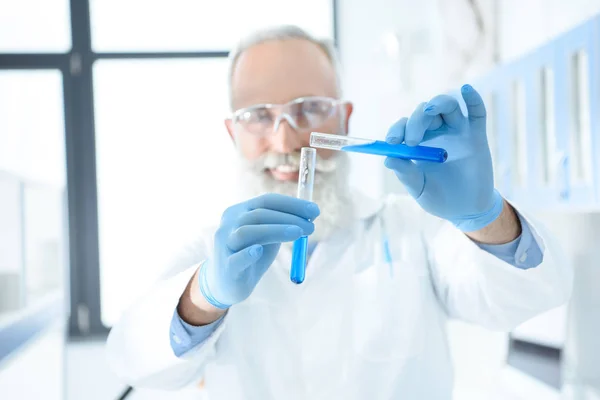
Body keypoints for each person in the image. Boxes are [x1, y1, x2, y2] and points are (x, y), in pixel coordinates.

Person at [106, 25, 573, 399]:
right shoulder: (205, 255)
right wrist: (204, 297)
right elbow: (132, 360)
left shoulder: (412, 228)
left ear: (345, 119)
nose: (287, 142)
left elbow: (534, 293)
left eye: (310, 109)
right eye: (259, 116)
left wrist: (482, 215)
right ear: (234, 133)